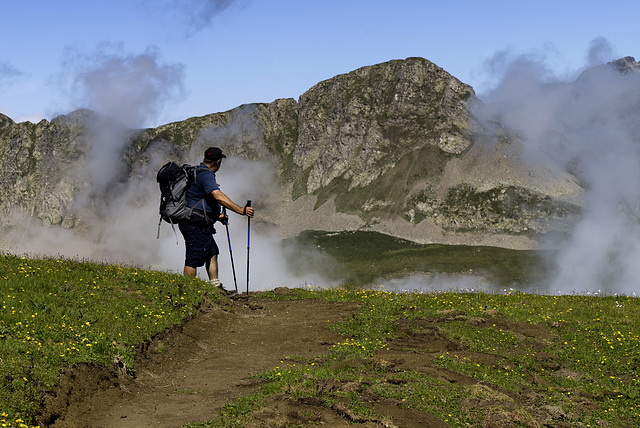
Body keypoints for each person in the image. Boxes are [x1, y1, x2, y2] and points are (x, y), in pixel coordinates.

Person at [178, 146, 254, 295]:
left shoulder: (195, 171)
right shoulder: (206, 175)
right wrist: (240, 210)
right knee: (193, 258)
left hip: (196, 221)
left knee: (212, 251)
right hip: (195, 224)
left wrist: (216, 216)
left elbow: (196, 198)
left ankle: (215, 287)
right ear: (218, 162)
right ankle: (188, 292)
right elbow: (217, 195)